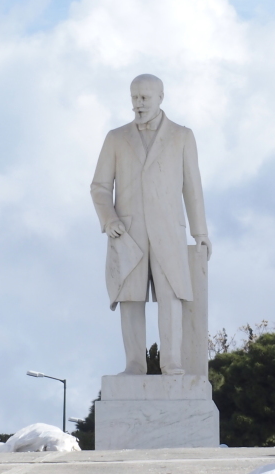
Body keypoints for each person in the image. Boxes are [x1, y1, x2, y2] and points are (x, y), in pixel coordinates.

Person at [90, 74, 213, 375]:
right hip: (128, 232)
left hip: (169, 229)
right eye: (134, 97)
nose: (138, 104)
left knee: (171, 296)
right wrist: (109, 219)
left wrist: (201, 232)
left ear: (160, 97)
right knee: (130, 298)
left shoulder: (182, 136)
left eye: (144, 97)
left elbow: (192, 187)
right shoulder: (116, 138)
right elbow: (100, 187)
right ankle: (134, 365)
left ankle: (171, 363)